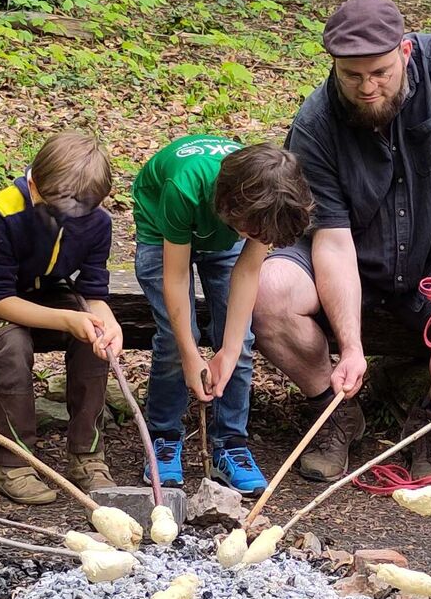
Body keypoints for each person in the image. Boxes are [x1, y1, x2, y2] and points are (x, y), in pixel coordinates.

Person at [255, 0, 431, 484]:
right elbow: (331, 241)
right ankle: (333, 411)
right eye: (352, 76)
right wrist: (352, 347)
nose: (368, 87)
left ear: (405, 51)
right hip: (354, 259)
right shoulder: (316, 122)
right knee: (268, 292)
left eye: (380, 73)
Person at [0, 130, 124, 503]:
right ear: (35, 184)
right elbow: (0, 301)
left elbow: (93, 292)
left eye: (82, 210)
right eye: (61, 208)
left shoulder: (96, 221)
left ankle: (87, 455)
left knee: (94, 339)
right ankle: (15, 462)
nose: (72, 217)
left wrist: (108, 324)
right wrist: (66, 320)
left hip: (42, 281)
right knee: (12, 342)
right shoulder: (1, 213)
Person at [133, 137, 314, 496]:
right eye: (258, 234)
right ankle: (164, 437)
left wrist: (229, 351)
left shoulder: (267, 202)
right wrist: (189, 354)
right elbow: (177, 276)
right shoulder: (183, 187)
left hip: (229, 229)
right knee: (173, 334)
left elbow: (247, 273)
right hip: (163, 229)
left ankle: (230, 444)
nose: (262, 239)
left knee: (241, 338)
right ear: (230, 206)